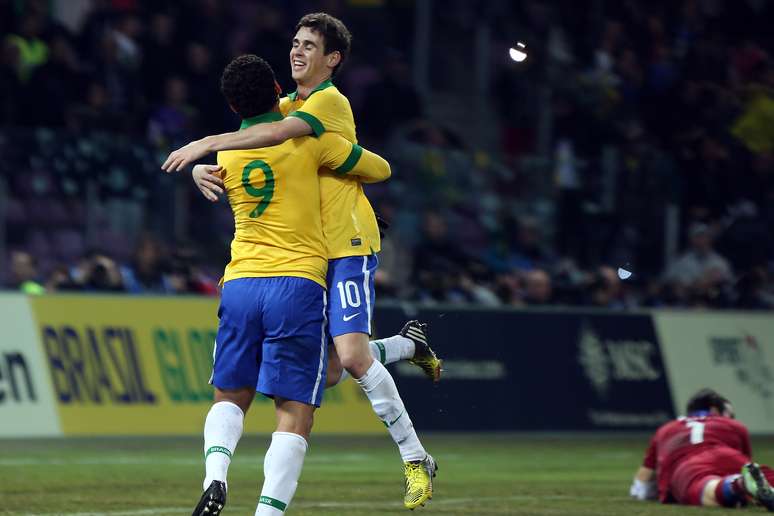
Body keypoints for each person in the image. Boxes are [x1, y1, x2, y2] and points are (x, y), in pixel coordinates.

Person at [164, 12, 440, 509]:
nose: (297, 52)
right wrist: (207, 168)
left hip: (345, 244)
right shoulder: (289, 104)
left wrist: (207, 144)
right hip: (305, 261)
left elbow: (290, 140)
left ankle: (416, 459)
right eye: (294, 43)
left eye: (309, 46)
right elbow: (259, 133)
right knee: (331, 370)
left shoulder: (327, 102)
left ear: (332, 60)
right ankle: (403, 346)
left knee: (352, 359)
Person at [191, 54, 391, 516]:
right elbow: (379, 169)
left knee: (229, 394)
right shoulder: (311, 144)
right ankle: (267, 512)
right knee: (295, 409)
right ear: (278, 89)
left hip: (240, 281)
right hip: (297, 283)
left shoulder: (226, 153)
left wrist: (198, 167)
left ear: (232, 104)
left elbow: (234, 152)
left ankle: (215, 478)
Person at [630, 388, 774, 511]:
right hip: (728, 454)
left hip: (688, 465)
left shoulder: (667, 428)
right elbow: (747, 463)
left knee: (705, 487)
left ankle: (738, 484)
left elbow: (642, 485)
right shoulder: (735, 426)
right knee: (762, 475)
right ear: (714, 410)